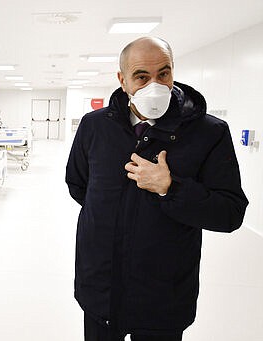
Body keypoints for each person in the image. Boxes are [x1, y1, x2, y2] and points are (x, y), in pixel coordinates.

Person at [65, 37, 248, 341]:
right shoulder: (94, 126)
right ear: (122, 80)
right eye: (141, 77)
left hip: (163, 296)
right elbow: (79, 185)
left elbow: (230, 213)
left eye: (163, 74)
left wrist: (170, 188)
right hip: (100, 286)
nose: (155, 85)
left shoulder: (209, 133)